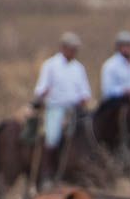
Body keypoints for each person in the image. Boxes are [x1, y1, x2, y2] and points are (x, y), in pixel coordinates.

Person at [33, 31, 93, 163]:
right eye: (72, 48)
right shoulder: (50, 65)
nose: (74, 52)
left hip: (75, 109)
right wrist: (44, 93)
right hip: (56, 107)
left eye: (75, 49)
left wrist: (84, 99)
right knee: (52, 137)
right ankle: (48, 168)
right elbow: (40, 89)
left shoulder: (79, 68)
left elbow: (85, 92)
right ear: (63, 47)